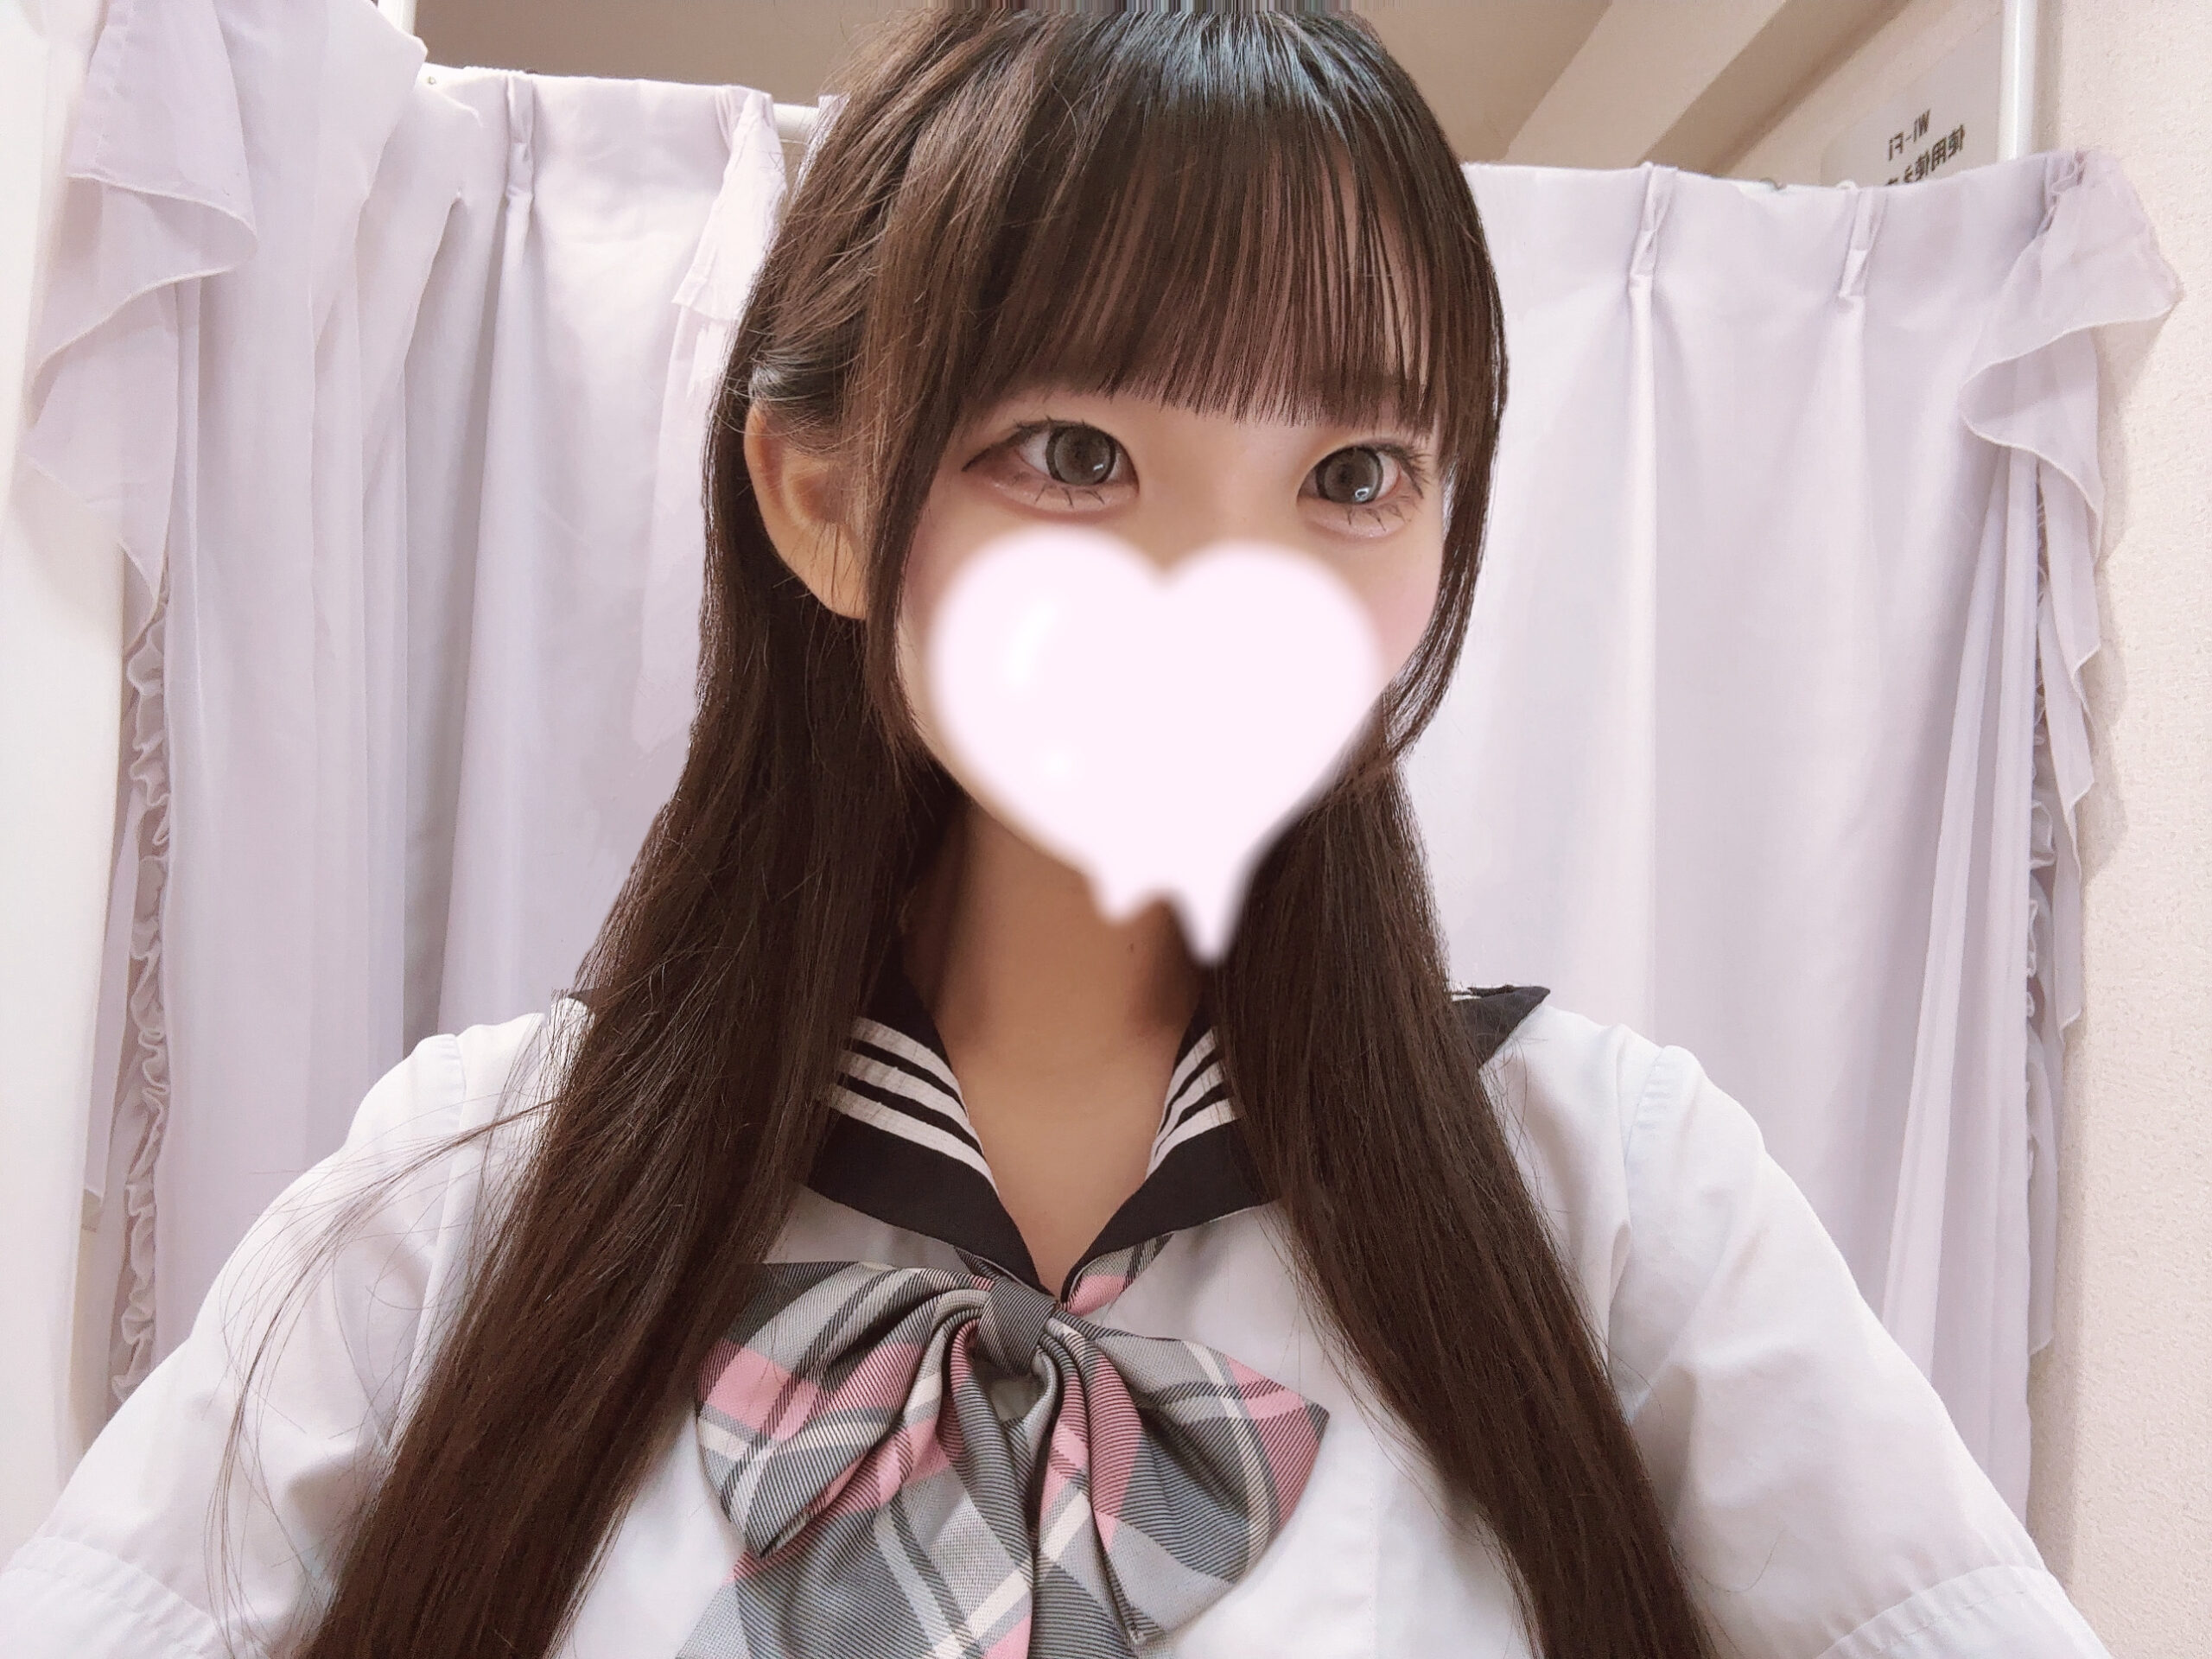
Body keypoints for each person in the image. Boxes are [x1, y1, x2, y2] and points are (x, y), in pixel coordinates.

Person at [1, 9, 2108, 1658]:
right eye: (1077, 453)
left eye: (1352, 478)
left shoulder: (1607, 1188)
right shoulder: (474, 1188)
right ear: (823, 498)